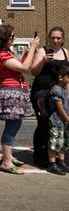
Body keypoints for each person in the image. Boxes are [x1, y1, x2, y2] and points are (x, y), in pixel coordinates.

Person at [0, 25, 39, 175]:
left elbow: (20, 65)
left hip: (16, 92)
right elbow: (24, 67)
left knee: (14, 126)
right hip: (11, 92)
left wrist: (30, 50)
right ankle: (6, 162)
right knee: (11, 127)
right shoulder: (2, 55)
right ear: (5, 38)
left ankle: (8, 156)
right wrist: (33, 47)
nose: (14, 38)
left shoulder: (6, 53)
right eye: (12, 36)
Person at [30, 27, 69, 168]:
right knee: (44, 123)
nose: (55, 40)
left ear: (63, 39)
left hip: (59, 94)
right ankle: (39, 156)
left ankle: (54, 157)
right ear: (49, 38)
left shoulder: (66, 53)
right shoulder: (42, 51)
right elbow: (33, 71)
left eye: (58, 38)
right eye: (53, 38)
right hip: (42, 92)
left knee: (57, 124)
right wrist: (43, 61)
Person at [45, 65, 69, 175]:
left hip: (62, 121)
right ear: (60, 77)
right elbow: (59, 107)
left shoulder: (63, 88)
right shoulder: (56, 90)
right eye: (68, 77)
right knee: (54, 143)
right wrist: (67, 118)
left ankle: (61, 162)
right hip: (56, 121)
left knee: (62, 143)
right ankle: (52, 163)